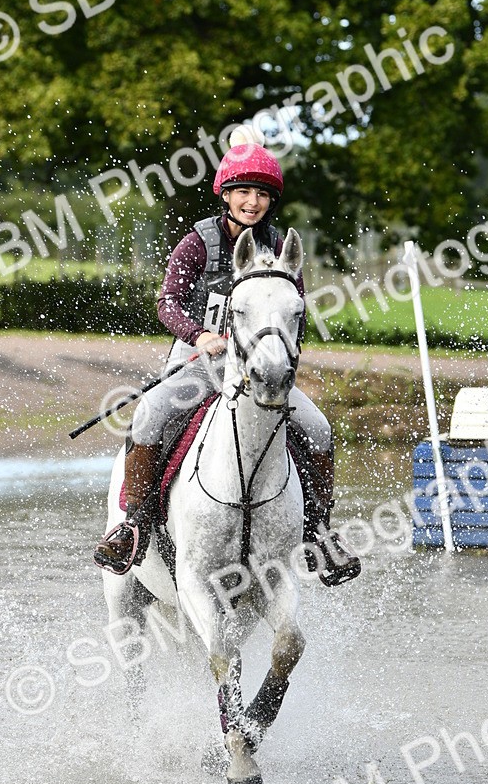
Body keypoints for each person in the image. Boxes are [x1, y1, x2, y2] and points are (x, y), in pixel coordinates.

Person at [93, 136, 361, 587]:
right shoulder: (198, 243)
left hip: (257, 369)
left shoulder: (281, 249)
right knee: (149, 413)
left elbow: (295, 314)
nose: (252, 202)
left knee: (318, 428)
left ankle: (318, 530)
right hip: (199, 362)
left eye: (262, 194)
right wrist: (199, 335)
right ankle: (133, 524)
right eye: (243, 192)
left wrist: (283, 359)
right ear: (226, 195)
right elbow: (167, 302)